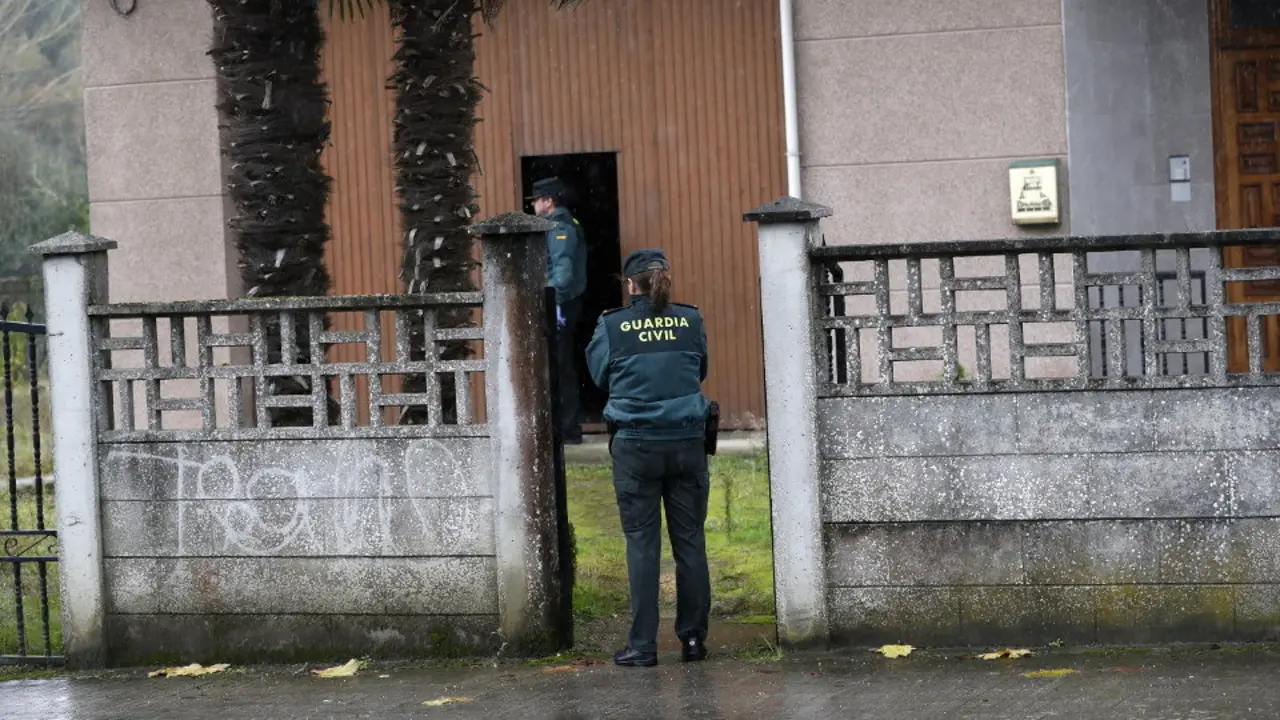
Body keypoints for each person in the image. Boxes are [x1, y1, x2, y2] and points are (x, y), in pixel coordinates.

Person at [586, 248, 712, 667]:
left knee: (642, 545)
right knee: (690, 542)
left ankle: (643, 646)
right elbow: (700, 370)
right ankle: (693, 641)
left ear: (630, 285)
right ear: (664, 279)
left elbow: (599, 376)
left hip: (636, 446)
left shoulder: (612, 325)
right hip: (687, 443)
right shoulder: (690, 320)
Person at [531, 176, 587, 444]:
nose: (533, 205)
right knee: (561, 365)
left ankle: (567, 429)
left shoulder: (560, 228)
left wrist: (551, 300)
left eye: (536, 199)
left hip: (561, 305)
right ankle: (566, 427)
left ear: (548, 201)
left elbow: (562, 271)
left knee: (560, 365)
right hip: (563, 303)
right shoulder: (561, 225)